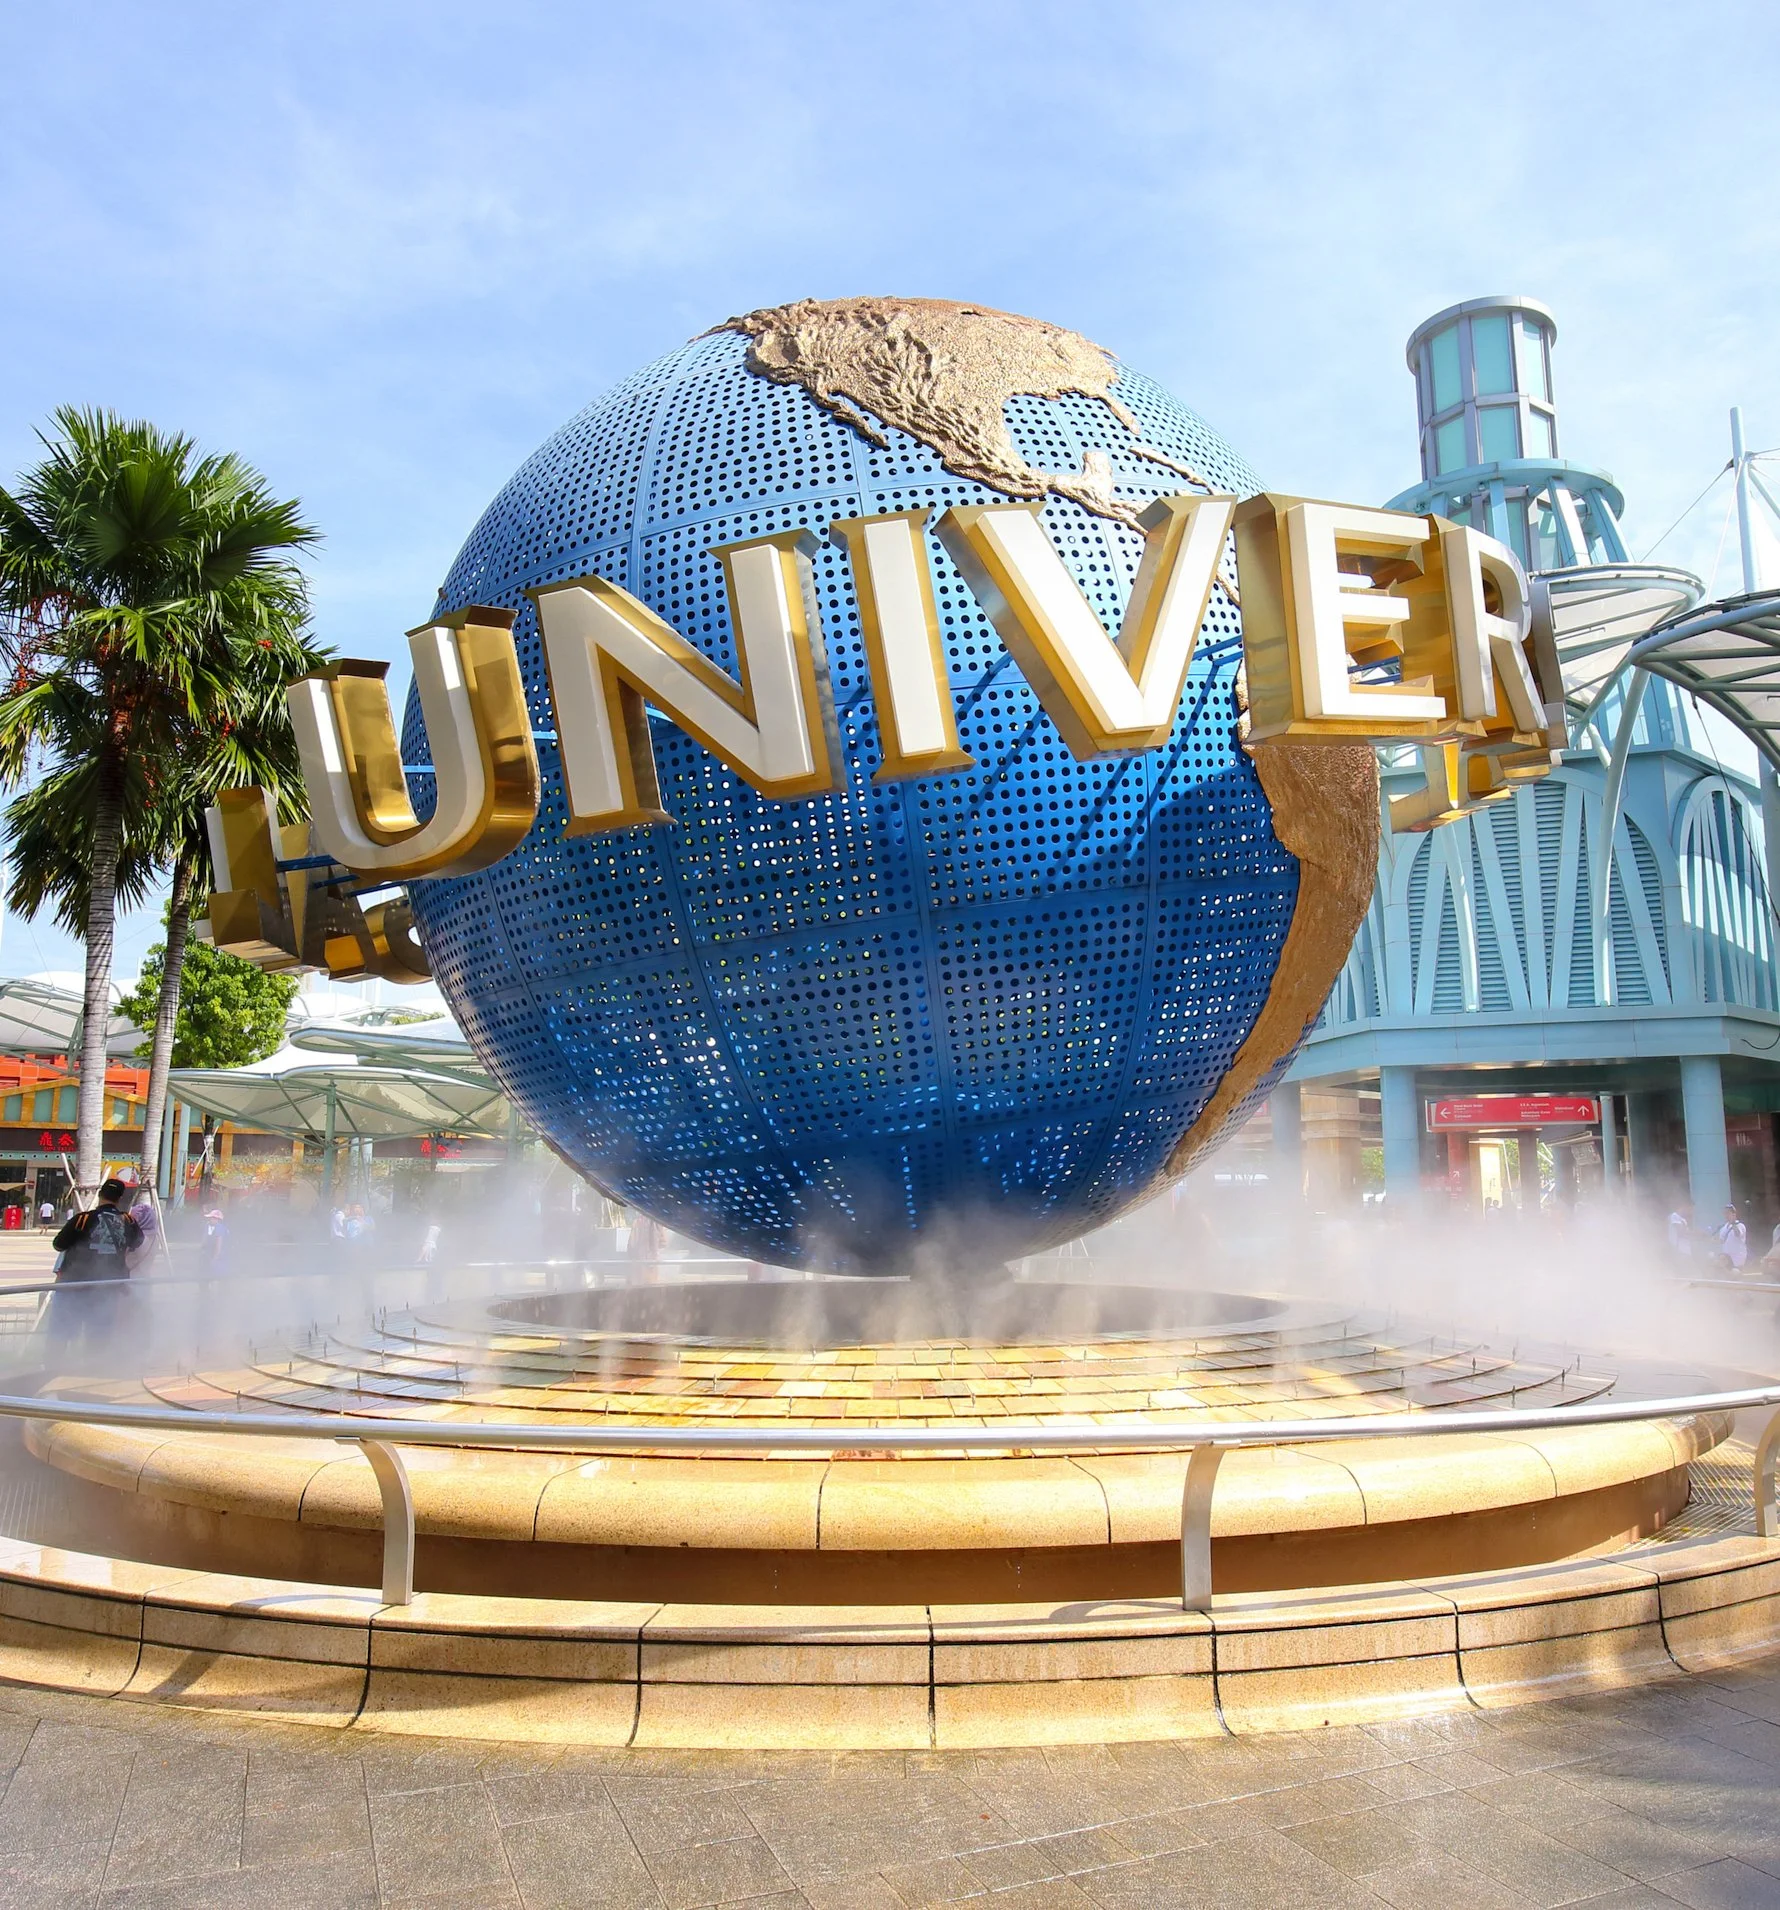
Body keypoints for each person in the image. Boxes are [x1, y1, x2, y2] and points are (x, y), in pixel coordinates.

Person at [47, 1180, 143, 1350]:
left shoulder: (83, 1219)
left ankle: (55, 1365)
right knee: (99, 1332)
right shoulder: (128, 1221)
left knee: (62, 1331)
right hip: (108, 1287)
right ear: (120, 1198)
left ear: (100, 1195)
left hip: (75, 1284)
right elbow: (137, 1243)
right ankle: (94, 1366)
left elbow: (58, 1244)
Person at [1714, 1203, 1749, 1273]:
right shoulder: (1724, 1227)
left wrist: (1733, 1223)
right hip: (1726, 1258)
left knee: (1735, 1274)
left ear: (1734, 1214)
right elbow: (1721, 1241)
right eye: (1724, 1213)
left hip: (1737, 1258)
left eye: (1728, 1213)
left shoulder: (1740, 1225)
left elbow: (1738, 1234)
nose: (1726, 1215)